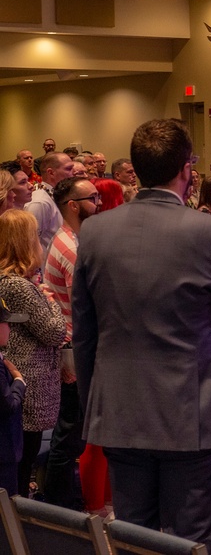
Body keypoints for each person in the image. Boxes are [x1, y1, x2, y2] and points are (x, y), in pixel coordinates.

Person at [73, 119, 211, 552]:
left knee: (135, 541)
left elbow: (84, 335)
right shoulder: (208, 232)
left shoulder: (95, 232)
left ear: (137, 170)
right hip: (191, 418)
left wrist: (93, 409)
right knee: (191, 542)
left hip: (120, 414)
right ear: (186, 170)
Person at [42, 176, 100, 508]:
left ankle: (62, 504)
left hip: (75, 347)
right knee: (69, 436)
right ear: (73, 206)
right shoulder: (71, 246)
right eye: (93, 198)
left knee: (73, 434)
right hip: (74, 352)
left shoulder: (75, 239)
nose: (100, 204)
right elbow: (88, 300)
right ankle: (59, 509)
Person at [0, 210, 67, 498]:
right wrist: (51, 302)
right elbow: (54, 331)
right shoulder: (16, 284)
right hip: (28, 385)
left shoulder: (15, 281)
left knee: (22, 462)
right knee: (21, 463)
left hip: (27, 378)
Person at [0, 298, 29, 497]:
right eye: (7, 324)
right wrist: (19, 381)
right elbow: (7, 405)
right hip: (3, 452)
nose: (10, 329)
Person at [25, 151, 75, 249]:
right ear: (51, 172)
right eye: (69, 169)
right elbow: (29, 243)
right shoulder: (39, 202)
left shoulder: (58, 195)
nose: (74, 172)